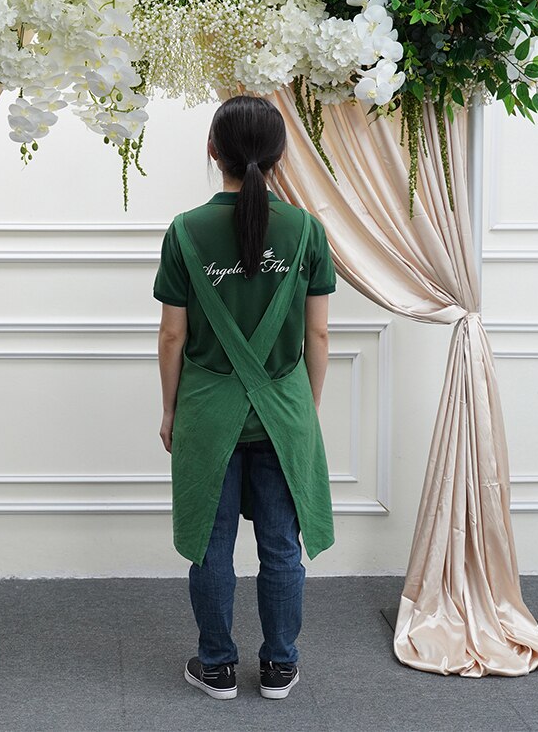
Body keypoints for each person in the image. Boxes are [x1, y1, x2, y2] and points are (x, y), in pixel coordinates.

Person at [153, 94, 336, 701]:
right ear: (281, 157)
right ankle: (281, 665)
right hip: (282, 415)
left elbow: (173, 334)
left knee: (211, 544)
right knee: (283, 547)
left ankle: (217, 665)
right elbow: (318, 333)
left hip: (210, 414)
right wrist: (301, 411)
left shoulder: (185, 231)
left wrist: (171, 410)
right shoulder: (307, 230)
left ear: (213, 150)